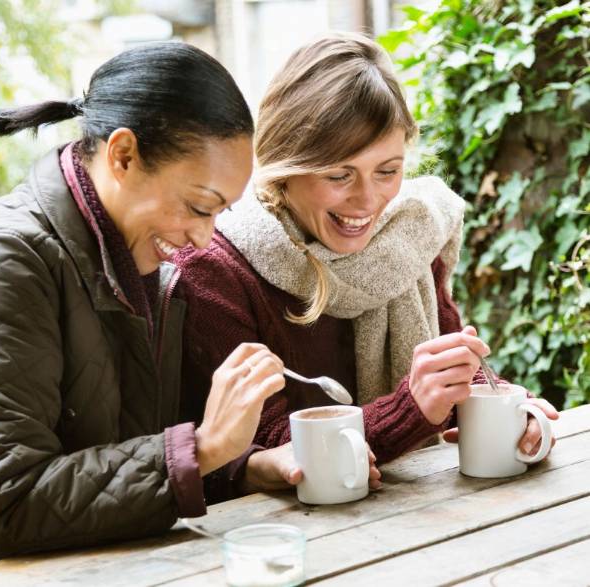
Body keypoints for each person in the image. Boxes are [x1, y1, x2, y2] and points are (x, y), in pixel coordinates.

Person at [0, 42, 287, 584]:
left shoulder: (146, 266)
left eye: (219, 213)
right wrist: (202, 447)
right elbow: (3, 505)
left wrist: (241, 467)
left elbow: (127, 462)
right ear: (122, 156)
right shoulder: (3, 259)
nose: (205, 236)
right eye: (199, 206)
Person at [175, 33, 557, 498]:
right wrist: (411, 408)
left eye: (388, 170)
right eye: (339, 175)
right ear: (284, 165)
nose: (368, 200)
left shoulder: (410, 236)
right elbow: (265, 449)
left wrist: (505, 411)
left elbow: (450, 385)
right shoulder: (215, 268)